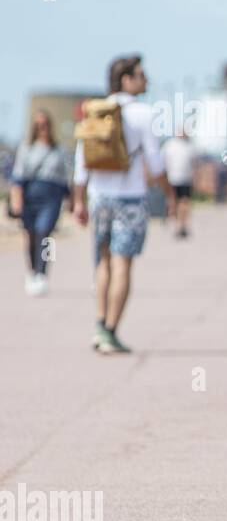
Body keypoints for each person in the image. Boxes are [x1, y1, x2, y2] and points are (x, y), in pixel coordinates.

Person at [72, 54, 173, 354]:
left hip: (99, 197)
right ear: (126, 80)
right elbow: (155, 164)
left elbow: (81, 162)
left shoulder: (95, 110)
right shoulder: (144, 113)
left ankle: (100, 324)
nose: (147, 80)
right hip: (130, 198)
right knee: (122, 263)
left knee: (103, 262)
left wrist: (79, 201)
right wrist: (171, 195)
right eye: (141, 75)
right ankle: (111, 331)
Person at [8, 109, 71, 296]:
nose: (42, 129)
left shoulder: (58, 149)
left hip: (52, 197)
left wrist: (74, 201)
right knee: (31, 236)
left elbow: (65, 178)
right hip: (30, 196)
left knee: (46, 235)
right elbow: (18, 177)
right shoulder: (26, 147)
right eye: (38, 126)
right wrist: (16, 200)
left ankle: (43, 274)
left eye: (45, 125)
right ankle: (32, 271)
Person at [163, 126, 196, 238]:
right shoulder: (170, 145)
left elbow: (194, 164)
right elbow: (163, 161)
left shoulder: (190, 146)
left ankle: (183, 225)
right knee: (174, 203)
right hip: (172, 178)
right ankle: (177, 225)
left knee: (184, 203)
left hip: (186, 179)